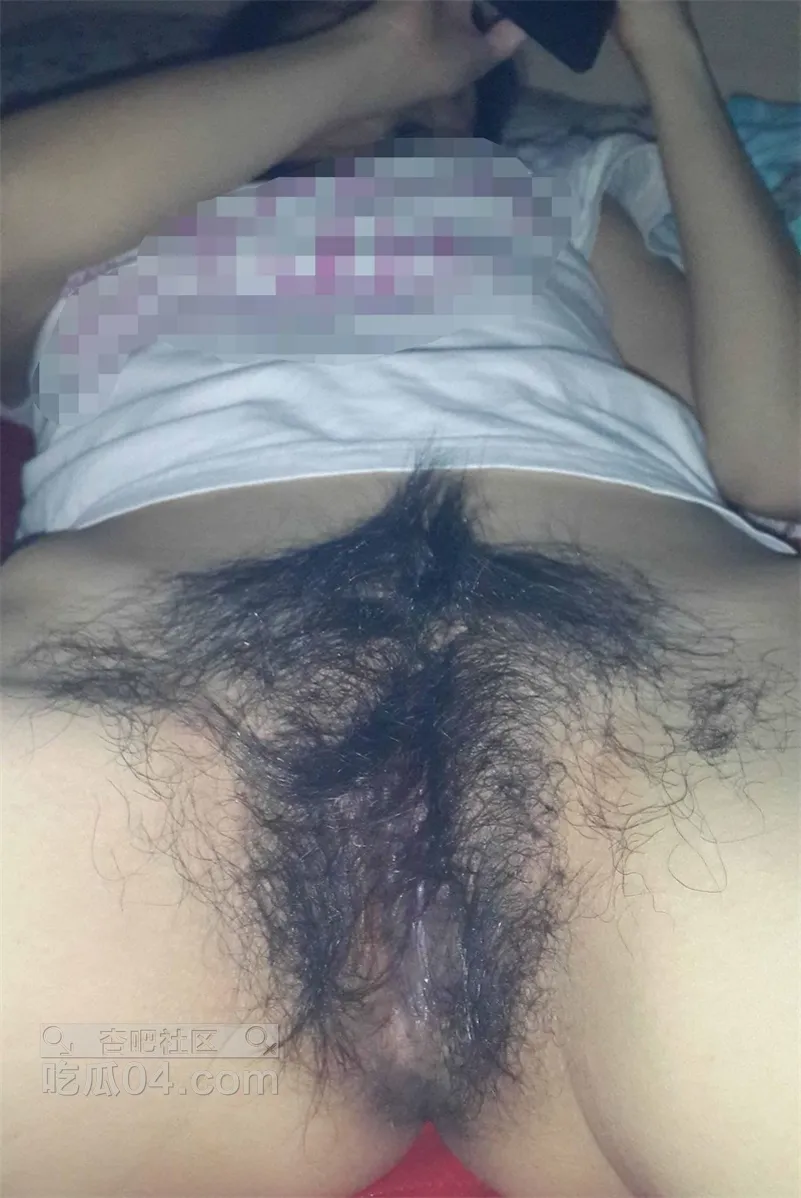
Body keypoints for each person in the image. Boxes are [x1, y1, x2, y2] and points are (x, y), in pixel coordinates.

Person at [1, 2, 798, 1195]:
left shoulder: (556, 189)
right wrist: (368, 60)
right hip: (135, 752)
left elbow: (781, 454)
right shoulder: (112, 205)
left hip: (676, 709)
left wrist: (669, 55)